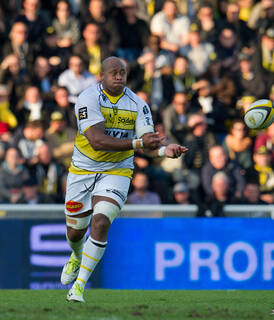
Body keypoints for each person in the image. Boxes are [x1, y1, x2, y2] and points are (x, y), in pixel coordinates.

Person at [61, 56, 187, 302]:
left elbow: (148, 142)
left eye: (123, 72)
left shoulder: (139, 104)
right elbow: (97, 140)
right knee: (75, 232)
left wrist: (164, 150)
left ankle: (78, 287)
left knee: (100, 222)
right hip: (82, 170)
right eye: (114, 72)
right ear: (102, 75)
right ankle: (75, 256)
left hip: (117, 170)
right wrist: (139, 143)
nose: (119, 76)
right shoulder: (87, 98)